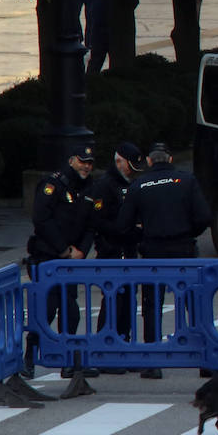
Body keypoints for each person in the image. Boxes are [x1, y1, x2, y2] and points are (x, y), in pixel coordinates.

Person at [118, 141, 212, 379]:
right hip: (184, 250)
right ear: (170, 159)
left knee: (152, 305)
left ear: (149, 161)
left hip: (154, 251)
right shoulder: (187, 181)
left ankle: (153, 362)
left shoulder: (139, 185)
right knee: (194, 303)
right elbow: (204, 216)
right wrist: (189, 232)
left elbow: (122, 225)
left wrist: (143, 233)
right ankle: (206, 361)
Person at [24, 143, 98, 378]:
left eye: (89, 162)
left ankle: (68, 360)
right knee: (45, 310)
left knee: (70, 311)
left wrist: (81, 251)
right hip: (47, 257)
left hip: (70, 261)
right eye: (82, 161)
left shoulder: (88, 188)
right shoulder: (53, 184)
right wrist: (63, 250)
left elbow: (90, 224)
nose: (86, 166)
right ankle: (29, 357)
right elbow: (41, 219)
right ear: (71, 161)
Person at [87, 142, 147, 352]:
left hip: (128, 250)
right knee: (113, 299)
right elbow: (98, 220)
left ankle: (123, 341)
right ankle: (106, 345)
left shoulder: (130, 184)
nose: (132, 172)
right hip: (112, 250)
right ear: (119, 161)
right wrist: (126, 230)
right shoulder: (105, 185)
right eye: (130, 166)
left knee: (128, 299)